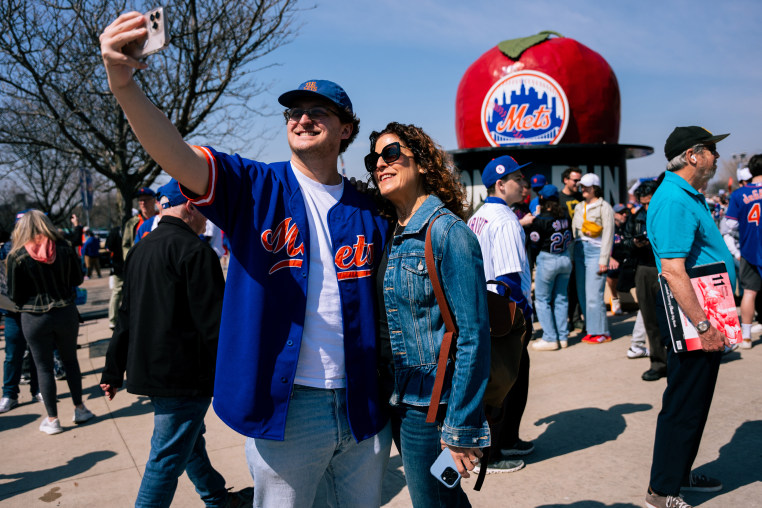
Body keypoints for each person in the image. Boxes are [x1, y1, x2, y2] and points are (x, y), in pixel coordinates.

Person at [101, 14, 391, 507]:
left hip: (364, 401)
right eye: (294, 111)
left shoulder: (371, 208)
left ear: (345, 130)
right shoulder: (254, 187)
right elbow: (176, 155)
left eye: (318, 110)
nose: (302, 118)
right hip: (292, 408)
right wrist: (124, 85)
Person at [368, 122, 490, 507]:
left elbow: (473, 335)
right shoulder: (392, 231)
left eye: (391, 154)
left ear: (421, 163)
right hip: (395, 398)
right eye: (374, 159)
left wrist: (460, 426)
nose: (380, 164)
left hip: (430, 407)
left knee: (433, 503)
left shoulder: (448, 232)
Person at [100, 179, 235, 507]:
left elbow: (125, 316)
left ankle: (217, 498)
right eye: (204, 211)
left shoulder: (141, 248)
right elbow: (214, 325)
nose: (207, 219)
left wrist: (112, 368)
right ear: (190, 206)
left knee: (189, 442)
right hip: (184, 377)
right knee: (165, 460)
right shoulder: (195, 250)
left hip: (152, 371)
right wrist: (234, 376)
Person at [645, 126, 734, 508]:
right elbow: (673, 270)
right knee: (683, 402)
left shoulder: (687, 196)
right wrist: (703, 325)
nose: (716, 156)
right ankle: (662, 490)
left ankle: (679, 473)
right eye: (712, 150)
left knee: (695, 401)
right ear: (694, 154)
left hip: (705, 310)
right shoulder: (674, 200)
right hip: (693, 315)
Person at [468, 155, 534, 472]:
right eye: (518, 179)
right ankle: (494, 452)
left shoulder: (478, 215)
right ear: (500, 183)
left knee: (498, 383)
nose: (523, 184)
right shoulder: (506, 219)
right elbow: (509, 279)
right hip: (503, 314)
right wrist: (523, 317)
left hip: (482, 309)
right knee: (506, 384)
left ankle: (505, 441)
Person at [5, 210, 93, 434]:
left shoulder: (16, 255)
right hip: (65, 311)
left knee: (43, 367)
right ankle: (80, 408)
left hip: (34, 316)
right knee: (70, 361)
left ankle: (53, 419)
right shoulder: (63, 248)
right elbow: (77, 279)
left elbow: (14, 294)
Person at [622, 179, 668, 379]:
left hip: (666, 268)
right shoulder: (637, 217)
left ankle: (677, 361)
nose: (648, 207)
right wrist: (634, 243)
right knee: (650, 320)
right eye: (644, 203)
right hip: (644, 269)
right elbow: (623, 240)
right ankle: (658, 363)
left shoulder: (667, 213)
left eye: (651, 202)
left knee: (671, 320)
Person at [0, 225, 41, 413]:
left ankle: (38, 388)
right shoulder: (5, 250)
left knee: (36, 352)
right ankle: (9, 394)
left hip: (32, 309)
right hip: (12, 312)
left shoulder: (36, 248)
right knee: (12, 354)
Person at [528, 184, 573, 351]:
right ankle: (563, 336)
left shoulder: (541, 219)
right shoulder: (565, 215)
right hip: (565, 257)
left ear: (542, 198)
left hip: (548, 259)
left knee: (542, 300)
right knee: (561, 298)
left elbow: (534, 243)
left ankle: (550, 338)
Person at [724, 153, 762, 350]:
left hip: (749, 250)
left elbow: (728, 227)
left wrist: (736, 250)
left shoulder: (739, 195)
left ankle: (746, 337)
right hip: (750, 250)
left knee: (749, 292)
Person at [572, 173, 614, 343]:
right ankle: (592, 329)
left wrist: (604, 259)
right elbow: (575, 231)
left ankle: (601, 332)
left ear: (595, 187)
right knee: (583, 294)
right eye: (582, 186)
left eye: (586, 186)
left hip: (595, 252)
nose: (583, 188)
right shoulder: (579, 206)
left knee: (594, 295)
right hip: (580, 250)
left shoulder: (605, 207)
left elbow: (609, 234)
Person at [559, 167, 584, 331]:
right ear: (565, 180)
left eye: (579, 180)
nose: (578, 184)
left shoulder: (582, 197)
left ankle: (576, 318)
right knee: (565, 286)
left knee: (577, 284)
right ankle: (566, 321)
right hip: (565, 247)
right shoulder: (558, 199)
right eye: (575, 180)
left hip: (581, 245)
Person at [122, 187, 157, 259]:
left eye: (146, 200)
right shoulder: (132, 223)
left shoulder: (162, 219)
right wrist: (131, 261)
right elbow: (126, 245)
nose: (143, 203)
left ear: (154, 200)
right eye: (140, 200)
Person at [607, 203, 629, 316]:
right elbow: (603, 246)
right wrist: (609, 258)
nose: (624, 215)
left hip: (627, 259)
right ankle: (615, 299)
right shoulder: (609, 227)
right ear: (614, 214)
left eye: (625, 212)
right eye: (621, 213)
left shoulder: (629, 225)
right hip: (614, 259)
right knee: (611, 269)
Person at [105, 225, 125, 329]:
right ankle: (114, 319)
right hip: (124, 265)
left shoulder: (115, 231)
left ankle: (113, 319)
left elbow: (108, 247)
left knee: (117, 292)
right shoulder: (133, 227)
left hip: (118, 265)